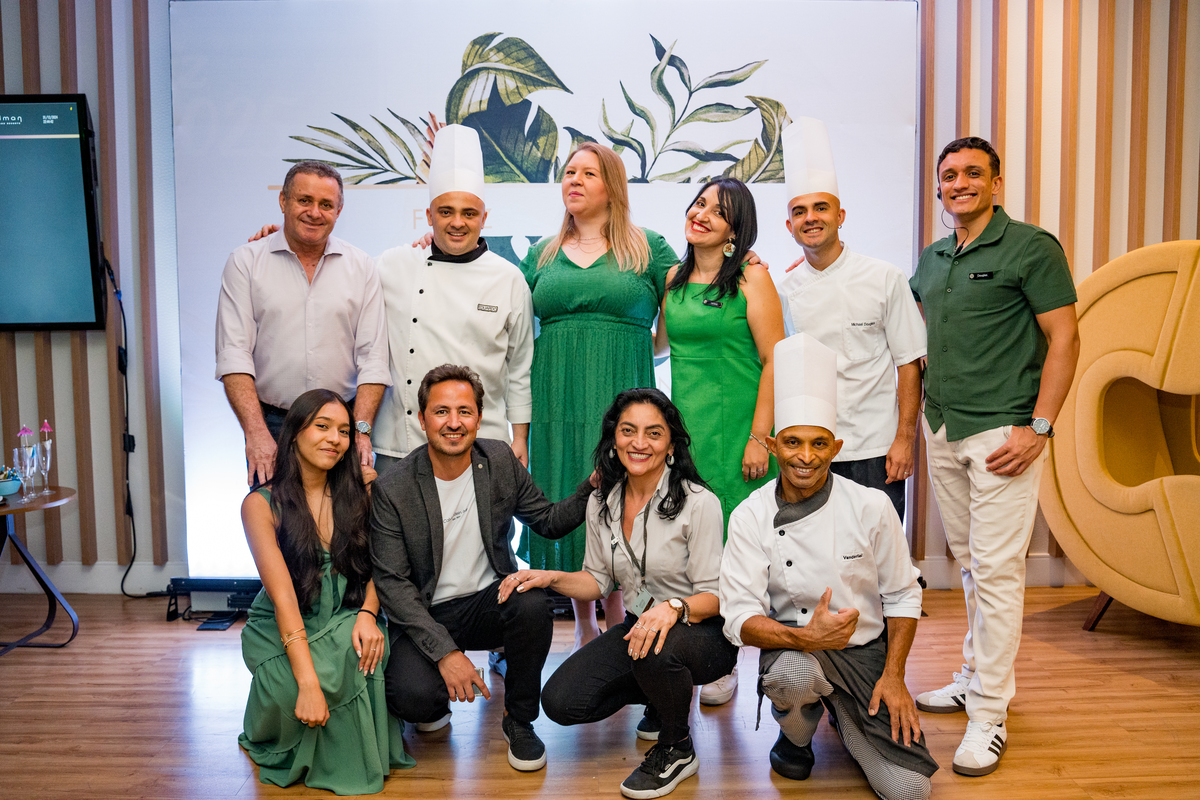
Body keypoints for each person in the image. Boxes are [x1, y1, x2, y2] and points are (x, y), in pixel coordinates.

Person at [910, 136, 1079, 777]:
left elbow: (1065, 337)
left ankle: (989, 714)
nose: (960, 183)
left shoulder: (1031, 248)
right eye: (950, 175)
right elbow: (901, 320)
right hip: (944, 427)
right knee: (972, 567)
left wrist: (1040, 428)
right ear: (939, 186)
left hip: (1005, 435)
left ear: (996, 182)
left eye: (973, 173)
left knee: (999, 572)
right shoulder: (933, 258)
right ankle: (975, 676)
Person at [720, 333, 938, 800]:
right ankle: (796, 736)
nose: (806, 456)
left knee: (910, 792)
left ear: (836, 447)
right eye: (793, 442)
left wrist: (894, 676)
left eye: (819, 443)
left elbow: (904, 594)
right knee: (795, 676)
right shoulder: (749, 516)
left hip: (865, 657)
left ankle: (844, 713)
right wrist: (807, 639)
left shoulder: (871, 506)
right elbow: (738, 618)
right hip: (792, 650)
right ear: (773, 445)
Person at [507, 388, 736, 799]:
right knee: (560, 702)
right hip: (639, 628)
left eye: (654, 433)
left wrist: (673, 608)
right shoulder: (602, 501)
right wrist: (549, 577)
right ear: (614, 439)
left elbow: (716, 596)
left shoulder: (699, 502)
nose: (639, 443)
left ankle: (677, 748)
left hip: (703, 632)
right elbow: (597, 581)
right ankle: (661, 695)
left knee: (656, 649)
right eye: (628, 431)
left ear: (670, 445)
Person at [370, 364, 593, 772]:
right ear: (422, 419)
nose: (454, 423)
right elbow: (393, 586)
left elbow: (548, 521)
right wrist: (446, 654)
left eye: (465, 411)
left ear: (479, 417)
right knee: (413, 698)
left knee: (532, 603)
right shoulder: (393, 487)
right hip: (427, 612)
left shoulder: (500, 460)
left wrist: (592, 486)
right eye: (441, 411)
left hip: (489, 600)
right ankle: (434, 702)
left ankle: (519, 720)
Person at [518, 142, 680, 649]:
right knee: (572, 494)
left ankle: (621, 620)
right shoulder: (541, 253)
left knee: (622, 498)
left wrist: (738, 255)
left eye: (588, 173)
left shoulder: (649, 247)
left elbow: (692, 293)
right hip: (556, 399)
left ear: (612, 186)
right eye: (569, 172)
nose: (575, 180)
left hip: (622, 392)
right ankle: (585, 626)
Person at [238, 388, 413, 795]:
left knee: (359, 652)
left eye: (344, 431)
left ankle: (351, 758)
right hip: (283, 623)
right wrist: (307, 683)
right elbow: (283, 598)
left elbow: (385, 566)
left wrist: (369, 614)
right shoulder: (260, 505)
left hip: (348, 612)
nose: (335, 439)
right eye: (322, 426)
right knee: (293, 691)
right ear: (295, 432)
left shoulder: (365, 493)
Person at [654, 177, 785, 706]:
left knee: (737, 548)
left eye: (719, 211)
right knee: (694, 548)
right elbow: (660, 345)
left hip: (738, 431)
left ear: (735, 230)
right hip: (688, 431)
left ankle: (726, 660)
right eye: (699, 203)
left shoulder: (752, 277)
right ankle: (700, 653)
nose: (702, 214)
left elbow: (775, 359)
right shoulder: (672, 277)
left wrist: (760, 438)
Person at [777, 118, 927, 520]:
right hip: (811, 452)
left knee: (878, 548)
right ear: (789, 226)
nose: (811, 218)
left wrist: (905, 438)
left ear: (840, 215)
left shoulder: (884, 277)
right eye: (800, 212)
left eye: (821, 208)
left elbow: (909, 364)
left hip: (875, 448)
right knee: (812, 549)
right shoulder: (783, 290)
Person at [370, 124, 534, 474]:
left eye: (468, 213)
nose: (457, 222)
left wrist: (519, 438)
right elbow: (338, 275)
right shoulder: (392, 265)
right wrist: (284, 238)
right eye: (445, 212)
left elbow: (520, 369)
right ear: (429, 216)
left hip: (485, 446)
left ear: (484, 218)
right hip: (401, 447)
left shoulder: (508, 279)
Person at [216, 161, 389, 486]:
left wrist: (360, 430)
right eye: (304, 200)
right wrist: (255, 433)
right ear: (283, 201)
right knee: (274, 517)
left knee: (345, 518)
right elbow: (234, 355)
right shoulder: (246, 263)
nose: (314, 212)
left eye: (326, 204)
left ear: (339, 210)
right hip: (273, 427)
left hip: (342, 428)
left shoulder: (361, 267)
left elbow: (374, 359)